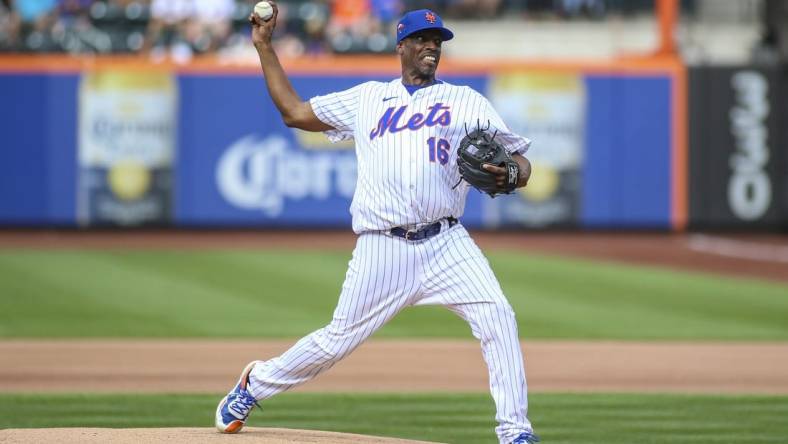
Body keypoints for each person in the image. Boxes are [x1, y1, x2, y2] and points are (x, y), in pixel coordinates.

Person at [215, 4, 539, 444]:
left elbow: (520, 159)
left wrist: (514, 173)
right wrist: (264, 46)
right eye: (423, 40)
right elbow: (294, 111)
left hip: (447, 242)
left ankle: (515, 432)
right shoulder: (368, 98)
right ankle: (255, 384)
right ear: (401, 46)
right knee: (336, 342)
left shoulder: (466, 102)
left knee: (498, 316)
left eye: (438, 41)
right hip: (382, 247)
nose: (431, 47)